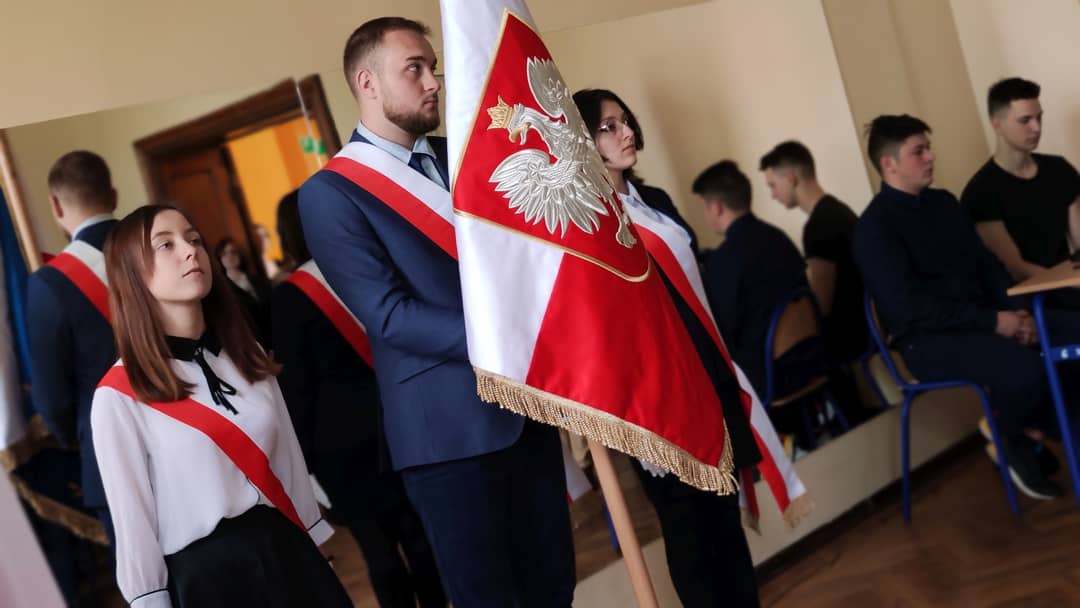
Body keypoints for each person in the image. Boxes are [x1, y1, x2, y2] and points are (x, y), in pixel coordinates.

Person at [298, 17, 575, 607]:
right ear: (367, 82)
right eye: (414, 69)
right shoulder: (330, 193)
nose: (433, 83)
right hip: (445, 433)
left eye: (434, 68)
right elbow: (388, 315)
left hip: (525, 404)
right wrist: (507, 336)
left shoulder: (467, 155)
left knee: (554, 585)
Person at [91, 204, 351, 607]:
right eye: (166, 244)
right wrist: (149, 598)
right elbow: (133, 519)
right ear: (132, 273)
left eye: (194, 239)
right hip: (207, 579)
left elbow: (289, 463)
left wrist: (313, 542)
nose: (190, 251)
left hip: (287, 550)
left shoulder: (247, 356)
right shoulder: (119, 395)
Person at [574, 87, 760, 607]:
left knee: (724, 518)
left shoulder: (653, 200)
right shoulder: (590, 223)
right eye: (609, 127)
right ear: (583, 141)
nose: (627, 132)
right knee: (688, 528)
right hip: (659, 393)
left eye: (626, 120)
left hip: (707, 373)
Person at [854, 114, 1080, 500]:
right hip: (929, 341)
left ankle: (1038, 434)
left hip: (984, 319)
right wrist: (995, 322)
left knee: (1072, 335)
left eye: (928, 148)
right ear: (889, 164)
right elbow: (912, 308)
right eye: (919, 151)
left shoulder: (943, 203)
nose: (931, 157)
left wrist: (1020, 312)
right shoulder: (874, 229)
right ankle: (1011, 434)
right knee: (1028, 370)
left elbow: (987, 266)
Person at [272, 190, 446, 608]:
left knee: (378, 552)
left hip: (340, 446)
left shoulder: (288, 298)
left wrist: (303, 461)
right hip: (400, 420)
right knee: (421, 537)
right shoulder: (367, 266)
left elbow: (297, 388)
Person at [26, 151, 118, 540]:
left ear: (55, 206)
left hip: (111, 451)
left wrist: (73, 437)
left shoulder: (49, 284)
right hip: (200, 431)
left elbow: (53, 399)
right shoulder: (161, 244)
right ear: (113, 195)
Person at [759, 141, 869, 426]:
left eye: (773, 185)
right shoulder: (839, 211)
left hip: (852, 332)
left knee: (779, 360)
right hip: (867, 321)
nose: (773, 195)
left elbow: (821, 304)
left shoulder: (820, 227)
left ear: (791, 178)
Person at [694, 160, 822, 402]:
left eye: (704, 207)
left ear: (716, 207)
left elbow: (725, 330)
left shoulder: (724, 260)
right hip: (812, 355)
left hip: (772, 375)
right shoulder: (778, 237)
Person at [961, 78, 1080, 291]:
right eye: (1025, 120)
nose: (1036, 128)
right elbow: (1016, 269)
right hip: (1032, 296)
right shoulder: (981, 191)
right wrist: (1070, 284)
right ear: (997, 125)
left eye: (1039, 118)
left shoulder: (1059, 169)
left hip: (1069, 281)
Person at [214, 236, 271, 345]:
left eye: (233, 252)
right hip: (249, 341)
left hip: (272, 334)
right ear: (219, 259)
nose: (230, 256)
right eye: (224, 254)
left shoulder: (258, 280)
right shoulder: (223, 289)